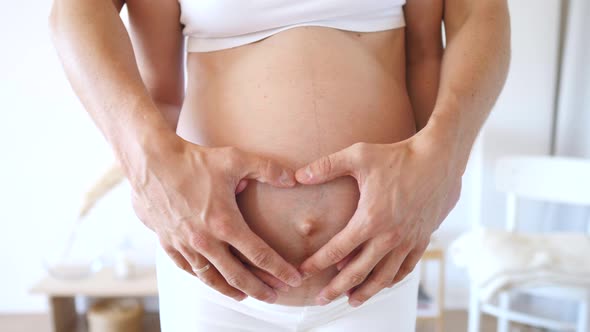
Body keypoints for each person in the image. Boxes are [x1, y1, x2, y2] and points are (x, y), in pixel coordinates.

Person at [49, 0, 510, 330]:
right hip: (214, 273)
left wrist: (444, 159)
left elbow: (479, 14)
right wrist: (144, 162)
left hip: (375, 272)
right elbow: (76, 9)